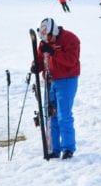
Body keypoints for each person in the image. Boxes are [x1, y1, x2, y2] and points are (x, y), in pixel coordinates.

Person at [35, 17, 81, 159]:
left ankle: (68, 148)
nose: (47, 40)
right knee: (50, 115)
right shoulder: (44, 43)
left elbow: (71, 61)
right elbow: (40, 59)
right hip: (50, 81)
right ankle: (53, 148)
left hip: (67, 80)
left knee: (63, 115)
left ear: (53, 31)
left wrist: (54, 52)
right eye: (45, 38)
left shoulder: (70, 39)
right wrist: (35, 65)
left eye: (49, 36)